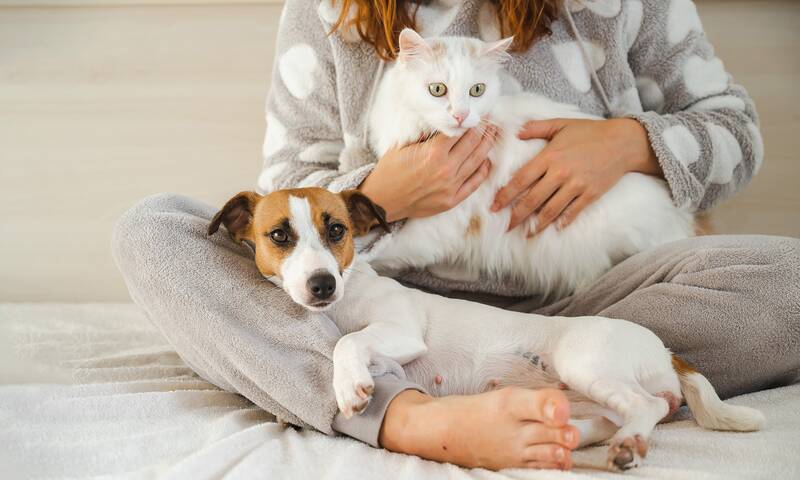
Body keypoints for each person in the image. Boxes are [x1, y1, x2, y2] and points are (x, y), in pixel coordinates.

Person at [112, 0, 800, 471]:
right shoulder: (325, 13)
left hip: (598, 306)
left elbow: (736, 131)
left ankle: (571, 387)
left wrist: (627, 143)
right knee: (153, 233)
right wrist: (381, 195)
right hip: (386, 310)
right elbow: (287, 199)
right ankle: (411, 419)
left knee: (788, 277)